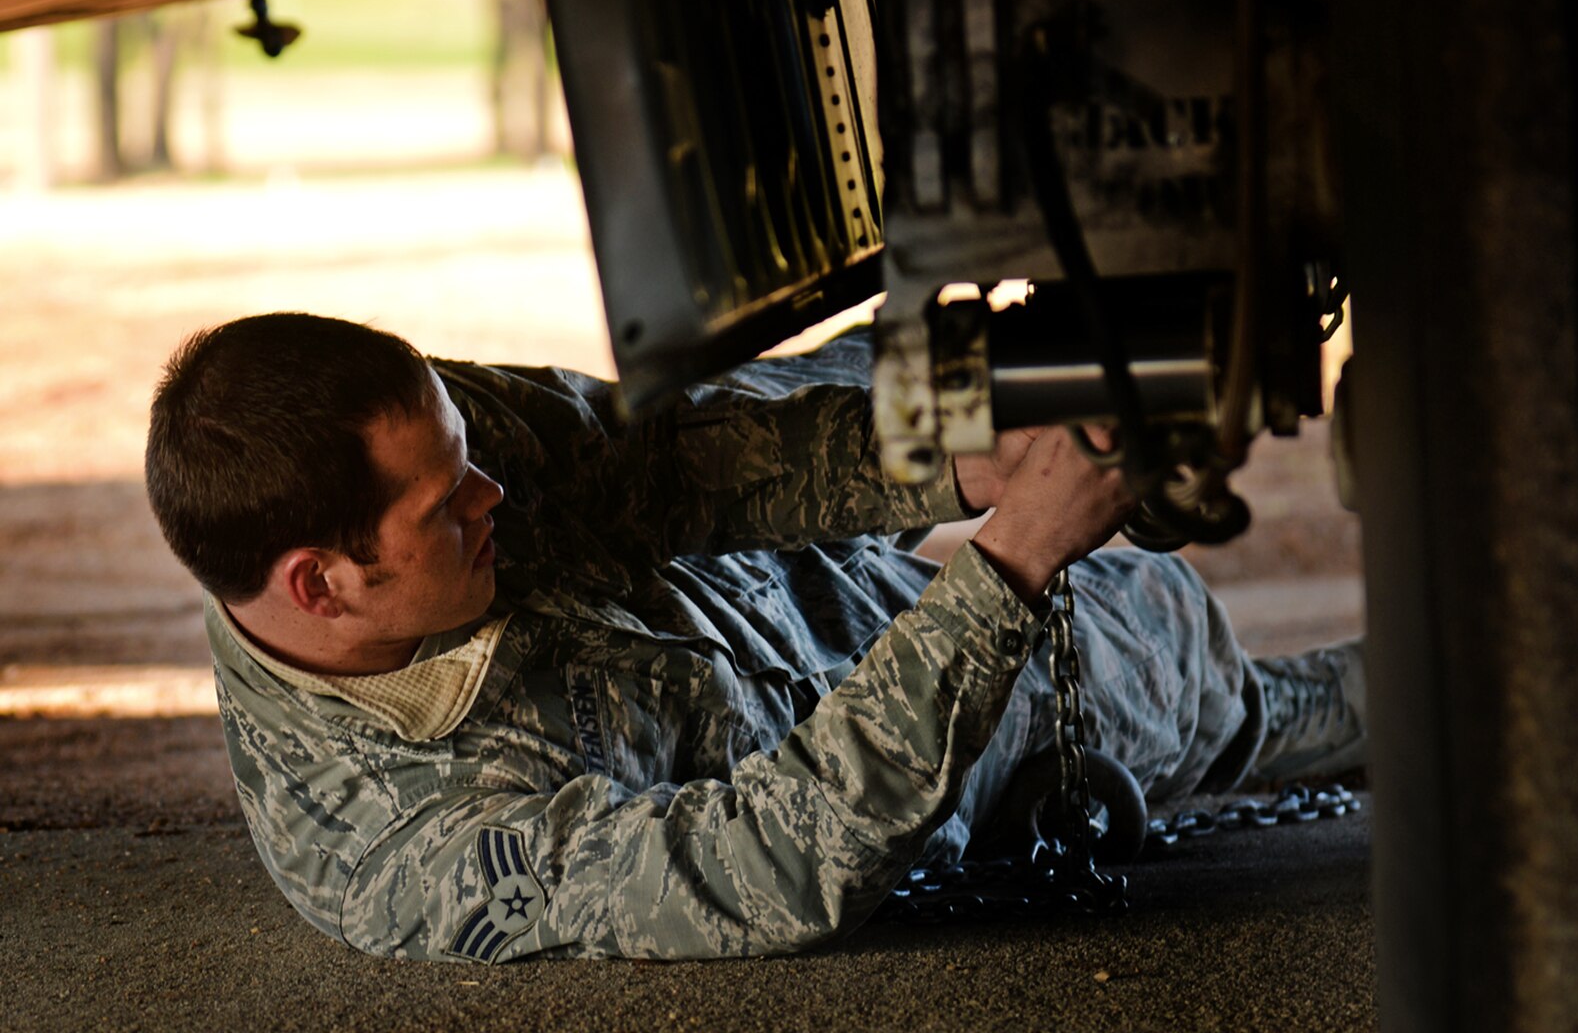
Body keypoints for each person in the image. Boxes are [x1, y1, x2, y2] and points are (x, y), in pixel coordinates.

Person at [143, 312, 1365, 964]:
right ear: (321, 585)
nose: (492, 495)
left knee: (1001, 366)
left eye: (469, 461)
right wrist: (1010, 561)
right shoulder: (406, 847)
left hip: (800, 578)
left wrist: (959, 457)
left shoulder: (410, 438)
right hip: (884, 758)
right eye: (445, 509)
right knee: (1187, 685)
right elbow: (772, 859)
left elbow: (664, 457)